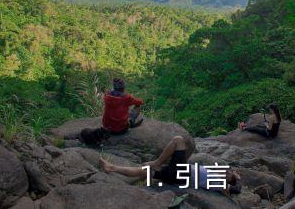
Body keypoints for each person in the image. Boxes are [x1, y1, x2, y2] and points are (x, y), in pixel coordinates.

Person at [99, 136, 241, 195]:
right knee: (143, 172)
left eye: (229, 174)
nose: (227, 172)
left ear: (229, 180)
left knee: (178, 140)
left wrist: (238, 178)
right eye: (229, 171)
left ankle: (156, 162)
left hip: (183, 174)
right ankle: (112, 168)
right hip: (178, 174)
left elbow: (237, 190)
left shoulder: (219, 183)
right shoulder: (216, 177)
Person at [80, 78, 144, 146]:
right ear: (123, 88)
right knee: (137, 106)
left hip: (107, 129)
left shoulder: (107, 96)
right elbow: (140, 102)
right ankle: (131, 122)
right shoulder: (127, 98)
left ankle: (128, 122)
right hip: (121, 130)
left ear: (114, 87)